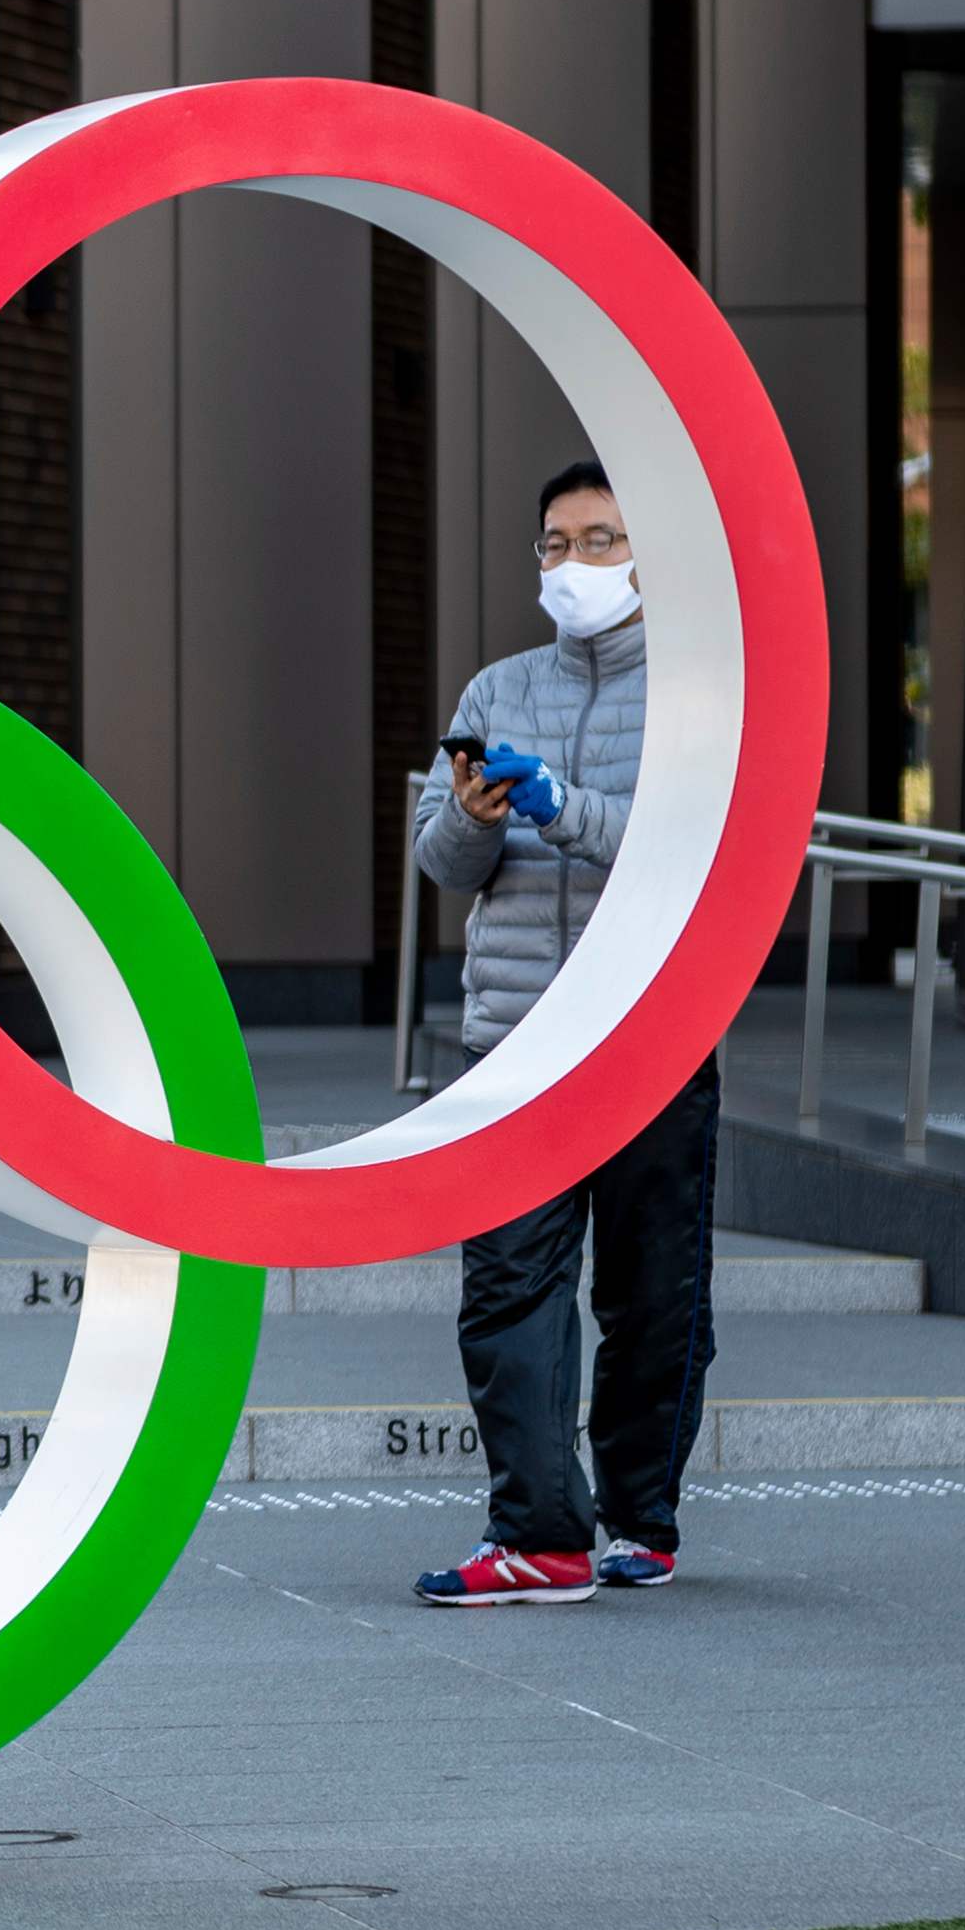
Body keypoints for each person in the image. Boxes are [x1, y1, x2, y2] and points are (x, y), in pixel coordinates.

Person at [405, 456, 720, 1608]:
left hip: (649, 1036)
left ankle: (638, 1512)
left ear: (646, 558)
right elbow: (441, 862)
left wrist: (561, 809)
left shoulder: (700, 697)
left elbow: (690, 852)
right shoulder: (494, 690)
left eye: (598, 541)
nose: (572, 564)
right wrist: (482, 818)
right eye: (553, 543)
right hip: (516, 1038)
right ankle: (538, 1533)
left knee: (649, 1294)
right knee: (503, 1287)